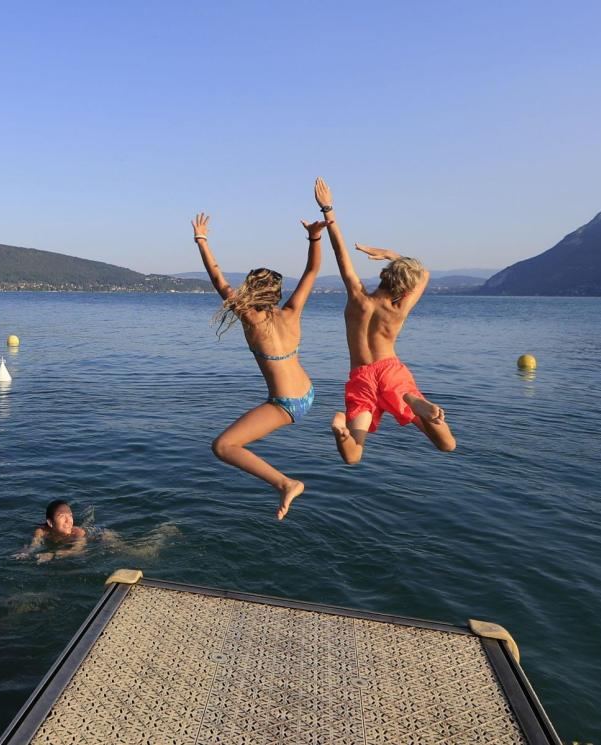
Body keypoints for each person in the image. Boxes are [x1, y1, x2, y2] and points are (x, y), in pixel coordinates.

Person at [192, 211, 326, 519]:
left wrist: (201, 240)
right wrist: (314, 236)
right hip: (307, 392)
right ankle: (285, 483)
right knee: (227, 443)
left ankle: (286, 483)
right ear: (276, 295)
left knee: (224, 446)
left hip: (286, 404)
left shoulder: (249, 318)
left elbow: (217, 278)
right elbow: (312, 271)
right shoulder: (291, 312)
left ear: (250, 291)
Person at [313, 177, 456, 463]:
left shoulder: (358, 299)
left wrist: (328, 209)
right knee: (447, 445)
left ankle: (342, 430)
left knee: (353, 456)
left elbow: (342, 256)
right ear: (404, 289)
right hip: (392, 375)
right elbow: (424, 274)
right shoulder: (399, 309)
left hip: (361, 376)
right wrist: (391, 254)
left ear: (381, 275)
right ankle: (411, 400)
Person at [13, 499, 88, 563]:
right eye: (62, 516)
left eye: (70, 516)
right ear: (50, 523)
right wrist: (26, 552)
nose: (68, 520)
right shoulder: (42, 531)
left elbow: (78, 550)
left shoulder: (78, 532)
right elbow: (34, 544)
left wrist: (53, 554)